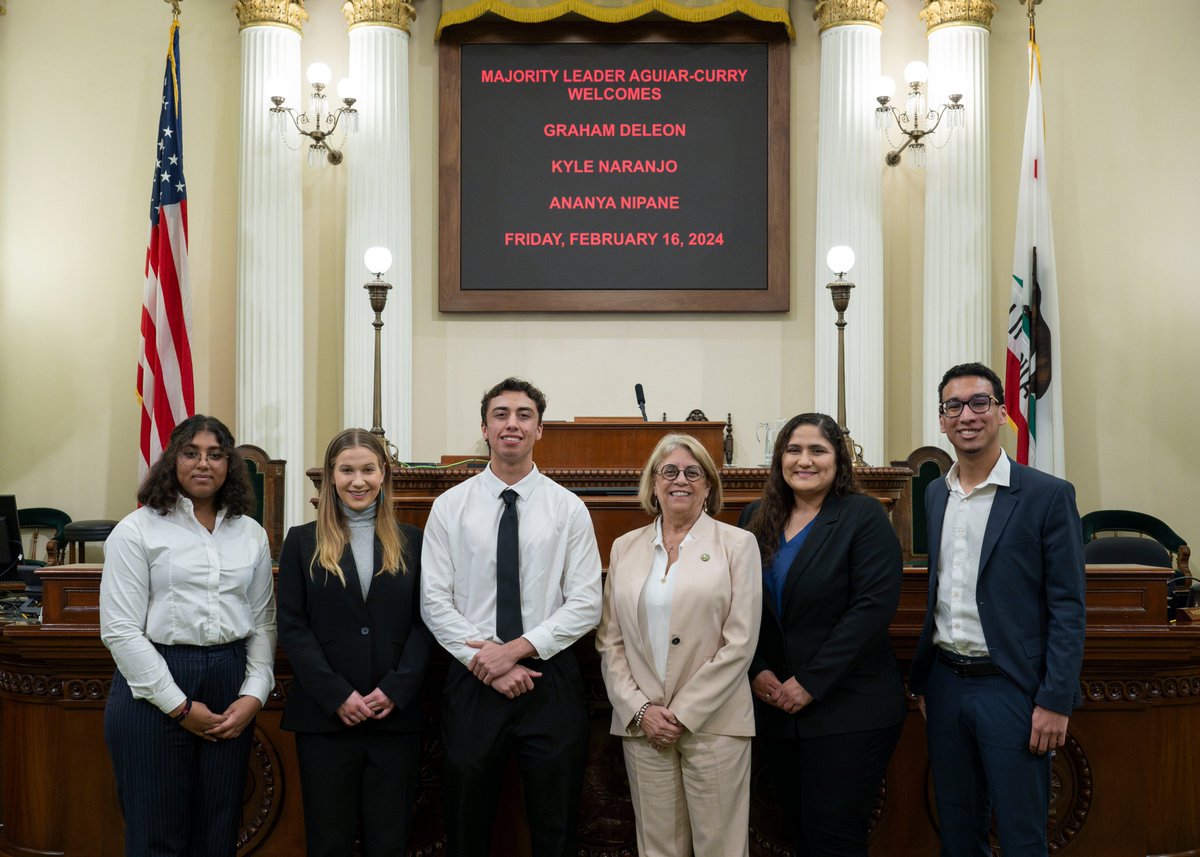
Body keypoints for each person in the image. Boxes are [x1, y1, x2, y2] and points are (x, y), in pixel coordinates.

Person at [909, 362, 1086, 857]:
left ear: (1003, 413)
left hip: (1013, 688)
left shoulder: (1047, 495)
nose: (967, 415)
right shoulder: (934, 494)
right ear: (941, 420)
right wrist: (925, 683)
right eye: (953, 406)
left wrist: (1055, 699)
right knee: (959, 835)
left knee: (1022, 837)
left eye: (979, 402)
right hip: (945, 685)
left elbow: (1069, 606)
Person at [420, 377, 603, 857]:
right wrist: (487, 663)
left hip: (550, 676)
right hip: (472, 677)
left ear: (540, 430)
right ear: (484, 428)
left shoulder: (568, 509)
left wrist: (515, 652)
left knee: (555, 825)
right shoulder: (449, 507)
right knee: (466, 824)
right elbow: (434, 601)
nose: (512, 424)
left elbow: (586, 602)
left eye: (524, 415)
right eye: (501, 415)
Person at [100, 415, 276, 856]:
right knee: (156, 836)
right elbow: (120, 631)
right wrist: (179, 706)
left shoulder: (249, 532)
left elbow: (262, 622)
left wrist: (254, 693)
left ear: (229, 464)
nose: (204, 463)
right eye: (191, 453)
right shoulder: (137, 530)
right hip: (153, 686)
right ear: (172, 460)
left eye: (215, 454)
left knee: (218, 834)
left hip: (228, 684)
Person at [740, 413, 906, 857]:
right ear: (779, 459)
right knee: (799, 836)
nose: (804, 460)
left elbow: (871, 611)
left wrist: (811, 682)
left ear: (839, 460)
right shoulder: (756, 518)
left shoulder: (864, 516)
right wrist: (755, 670)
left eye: (817, 450)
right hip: (776, 708)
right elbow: (737, 607)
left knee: (835, 840)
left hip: (849, 708)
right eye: (793, 450)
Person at [596, 433, 761, 857]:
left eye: (693, 472)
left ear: (708, 484)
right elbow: (610, 641)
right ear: (653, 482)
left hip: (715, 724)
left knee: (720, 848)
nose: (680, 480)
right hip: (643, 726)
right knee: (657, 849)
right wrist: (640, 710)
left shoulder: (737, 545)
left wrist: (683, 713)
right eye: (668, 471)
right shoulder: (625, 547)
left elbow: (740, 642)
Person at [277, 428, 430, 856]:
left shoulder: (414, 542)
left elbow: (426, 624)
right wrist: (337, 694)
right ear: (331, 476)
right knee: (329, 841)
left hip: (393, 718)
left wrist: (395, 690)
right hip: (325, 720)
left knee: (390, 840)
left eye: (368, 469)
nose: (357, 481)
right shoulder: (301, 541)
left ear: (384, 474)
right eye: (347, 470)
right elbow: (292, 625)